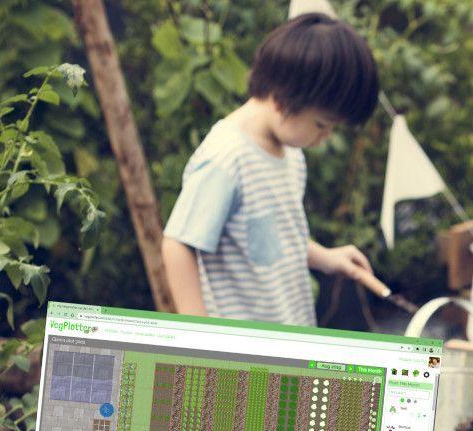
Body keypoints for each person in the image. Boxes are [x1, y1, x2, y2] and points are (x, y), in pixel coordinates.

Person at [162, 13, 380, 326]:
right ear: (282, 99)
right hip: (244, 347)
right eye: (321, 125)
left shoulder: (289, 153)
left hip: (288, 327)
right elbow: (178, 244)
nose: (325, 138)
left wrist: (326, 258)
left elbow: (269, 238)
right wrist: (200, 333)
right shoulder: (226, 159)